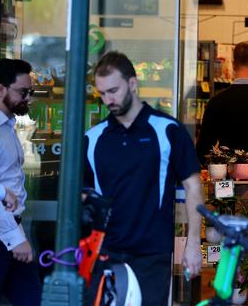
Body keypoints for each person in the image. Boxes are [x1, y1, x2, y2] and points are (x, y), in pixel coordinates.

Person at [84, 52, 203, 306]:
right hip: (105, 253)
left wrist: (194, 244)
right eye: (102, 93)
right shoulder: (93, 138)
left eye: (113, 90)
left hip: (152, 254)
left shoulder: (167, 130)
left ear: (133, 84)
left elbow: (193, 186)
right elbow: (82, 195)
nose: (108, 100)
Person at [0, 58, 41, 306]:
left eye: (30, 92)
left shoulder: (6, 125)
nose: (29, 98)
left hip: (10, 230)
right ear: (0, 90)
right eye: (23, 92)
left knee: (32, 298)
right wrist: (15, 239)